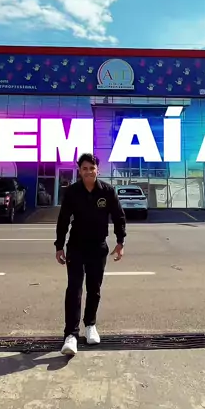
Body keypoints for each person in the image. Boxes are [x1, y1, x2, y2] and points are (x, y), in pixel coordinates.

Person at [55, 153, 126, 357]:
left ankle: (90, 326)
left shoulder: (107, 191)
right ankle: (71, 335)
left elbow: (119, 217)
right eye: (84, 168)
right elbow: (63, 220)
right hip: (76, 247)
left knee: (94, 289)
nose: (88, 172)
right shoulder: (72, 192)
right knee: (74, 289)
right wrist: (59, 246)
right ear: (79, 171)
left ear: (97, 170)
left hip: (98, 247)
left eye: (92, 168)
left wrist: (120, 242)